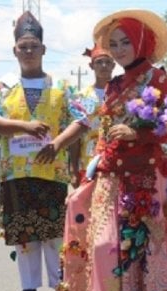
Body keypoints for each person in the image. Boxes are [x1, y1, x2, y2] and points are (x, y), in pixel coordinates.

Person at [39, 9, 167, 291]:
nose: (120, 49)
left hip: (146, 178)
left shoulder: (157, 79)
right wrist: (90, 172)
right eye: (114, 44)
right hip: (110, 175)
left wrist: (139, 133)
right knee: (105, 247)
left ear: (142, 42)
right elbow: (99, 129)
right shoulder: (116, 85)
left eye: (126, 42)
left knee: (144, 255)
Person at [0, 11, 73, 291]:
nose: (29, 51)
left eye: (34, 46)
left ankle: (62, 289)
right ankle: (28, 290)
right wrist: (24, 127)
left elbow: (81, 121)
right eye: (23, 46)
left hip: (52, 173)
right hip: (16, 174)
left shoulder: (61, 86)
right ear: (15, 51)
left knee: (55, 234)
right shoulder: (2, 87)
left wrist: (58, 143)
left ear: (44, 50)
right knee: (24, 235)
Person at [69, 43, 115, 187]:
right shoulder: (81, 97)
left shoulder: (122, 94)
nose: (103, 66)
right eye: (99, 62)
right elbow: (74, 137)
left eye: (108, 62)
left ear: (113, 65)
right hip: (87, 162)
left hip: (116, 163)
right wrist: (73, 169)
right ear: (91, 66)